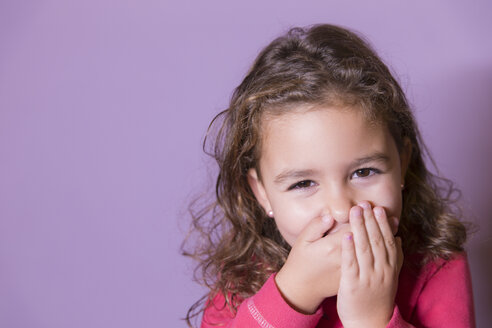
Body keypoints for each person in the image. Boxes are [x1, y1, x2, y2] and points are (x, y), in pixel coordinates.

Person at [183, 24, 475, 327]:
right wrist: (295, 293)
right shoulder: (241, 277)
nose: (340, 208)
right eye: (304, 183)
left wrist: (371, 320)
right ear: (262, 193)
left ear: (402, 163)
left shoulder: (438, 265)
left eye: (364, 172)